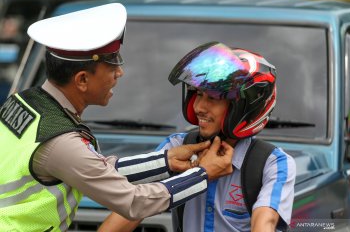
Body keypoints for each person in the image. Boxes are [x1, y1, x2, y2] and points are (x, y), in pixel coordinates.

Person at [0, 5, 235, 231]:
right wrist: (203, 174)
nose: (119, 73)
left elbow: (92, 169)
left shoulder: (25, 102)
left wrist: (165, 161)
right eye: (112, 66)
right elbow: (134, 202)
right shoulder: (60, 141)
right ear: (82, 79)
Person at [100, 42, 296, 232]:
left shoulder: (273, 164)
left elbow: (264, 223)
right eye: (198, 95)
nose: (198, 107)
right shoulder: (177, 148)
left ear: (245, 106)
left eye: (212, 98)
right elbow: (134, 207)